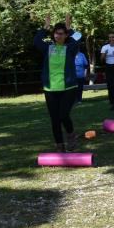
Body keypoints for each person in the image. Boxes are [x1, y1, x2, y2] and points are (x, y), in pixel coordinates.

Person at [34, 15, 80, 152]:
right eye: (55, 33)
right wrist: (46, 27)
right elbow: (36, 41)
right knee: (54, 119)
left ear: (66, 36)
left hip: (68, 87)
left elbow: (78, 36)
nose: (57, 36)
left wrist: (68, 27)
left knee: (63, 115)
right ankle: (59, 145)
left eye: (61, 33)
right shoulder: (48, 48)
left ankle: (71, 135)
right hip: (50, 88)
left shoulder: (71, 47)